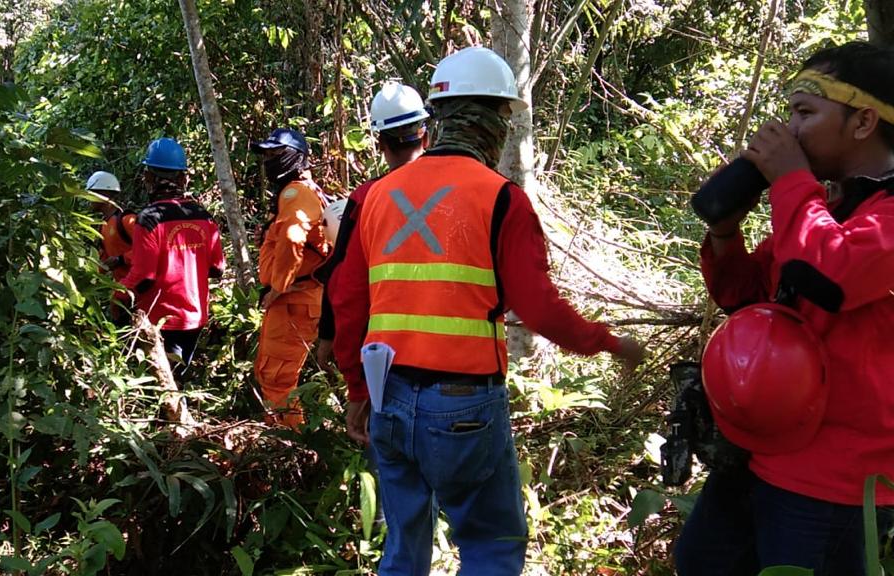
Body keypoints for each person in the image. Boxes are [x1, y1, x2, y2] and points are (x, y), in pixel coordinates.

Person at [331, 46, 646, 575]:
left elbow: (347, 303)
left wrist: (357, 391)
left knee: (404, 546)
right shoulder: (501, 198)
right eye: (502, 116)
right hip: (462, 407)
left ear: (439, 117)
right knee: (491, 544)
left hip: (389, 397)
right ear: (492, 121)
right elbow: (540, 309)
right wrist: (607, 342)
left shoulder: (376, 196)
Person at [676, 41, 894, 576]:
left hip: (835, 481)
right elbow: (745, 295)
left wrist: (792, 181)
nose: (789, 129)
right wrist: (725, 231)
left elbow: (826, 274)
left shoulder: (881, 213)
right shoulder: (826, 205)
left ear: (863, 121)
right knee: (701, 562)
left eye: (805, 112)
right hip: (759, 453)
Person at [315, 81, 431, 371]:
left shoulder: (366, 198)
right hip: (454, 355)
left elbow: (341, 278)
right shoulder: (461, 191)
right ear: (425, 138)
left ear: (380, 144)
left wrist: (329, 337)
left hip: (386, 352)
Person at [119, 137, 226, 375]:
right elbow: (217, 268)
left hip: (161, 319)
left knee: (160, 385)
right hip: (194, 317)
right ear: (183, 178)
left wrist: (115, 295)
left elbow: (143, 276)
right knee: (178, 378)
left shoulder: (149, 218)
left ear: (148, 178)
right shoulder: (203, 216)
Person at [253, 128, 330, 428]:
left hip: (294, 300)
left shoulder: (295, 192)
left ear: (296, 157)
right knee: (276, 375)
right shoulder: (303, 192)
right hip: (301, 298)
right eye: (268, 155)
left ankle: (289, 442)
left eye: (276, 154)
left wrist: (277, 288)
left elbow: (292, 235)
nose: (270, 161)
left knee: (277, 377)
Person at [86, 170, 136, 324]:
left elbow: (149, 250)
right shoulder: (103, 226)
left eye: (91, 194)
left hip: (137, 293)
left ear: (103, 194)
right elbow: (103, 260)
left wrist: (121, 259)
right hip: (120, 295)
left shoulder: (127, 221)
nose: (88, 198)